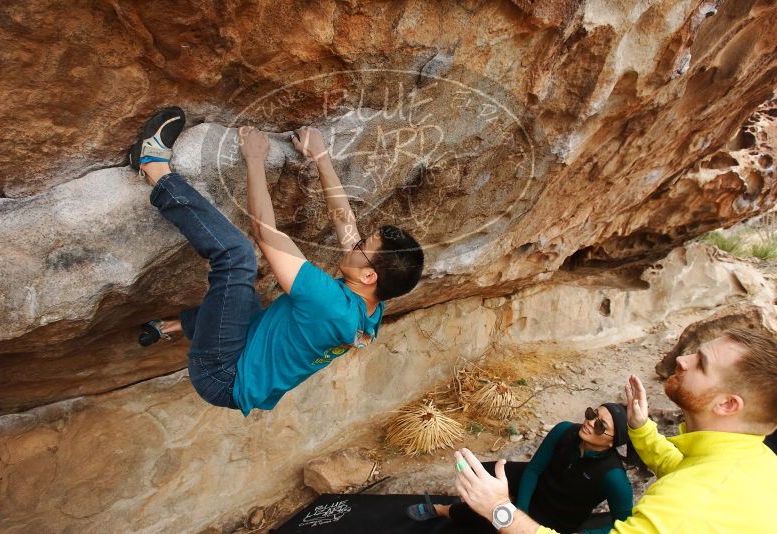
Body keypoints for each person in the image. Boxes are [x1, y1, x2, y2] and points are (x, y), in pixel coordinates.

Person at [129, 107, 424, 415]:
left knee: (236, 258)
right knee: (246, 297)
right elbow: (344, 222)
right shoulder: (372, 304)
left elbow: (264, 231)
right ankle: (173, 326)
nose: (356, 241)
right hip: (247, 351)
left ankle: (152, 166)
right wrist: (321, 157)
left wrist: (254, 159)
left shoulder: (329, 305)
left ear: (368, 276)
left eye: (363, 245)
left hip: (221, 374)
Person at [452, 329, 777, 533]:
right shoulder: (752, 460)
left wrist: (502, 512)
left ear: (727, 405)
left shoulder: (691, 505)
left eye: (702, 363)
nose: (683, 359)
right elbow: (682, 467)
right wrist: (641, 428)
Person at [407, 404, 633, 533]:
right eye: (593, 414)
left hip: (558, 516)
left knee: (490, 520)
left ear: (612, 442)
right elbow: (534, 469)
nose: (590, 422)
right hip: (541, 482)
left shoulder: (614, 477)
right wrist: (520, 508)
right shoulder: (566, 431)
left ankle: (443, 510)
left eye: (601, 425)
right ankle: (457, 507)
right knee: (482, 473)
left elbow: (624, 523)